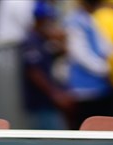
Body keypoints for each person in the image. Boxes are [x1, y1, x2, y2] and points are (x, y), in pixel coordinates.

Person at [64, 0, 113, 129]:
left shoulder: (90, 19)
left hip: (100, 87)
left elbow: (106, 46)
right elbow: (80, 53)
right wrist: (104, 68)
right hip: (84, 88)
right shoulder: (75, 21)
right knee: (85, 125)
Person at [21, 0, 74, 129]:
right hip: (41, 102)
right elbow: (34, 72)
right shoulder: (32, 41)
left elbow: (60, 54)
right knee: (49, 143)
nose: (50, 24)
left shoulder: (44, 39)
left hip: (49, 102)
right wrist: (55, 94)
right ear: (39, 20)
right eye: (48, 20)